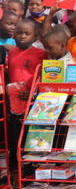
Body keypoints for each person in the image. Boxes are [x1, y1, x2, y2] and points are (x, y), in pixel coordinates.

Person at [7, 20, 47, 180]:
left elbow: (45, 78)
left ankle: (37, 171)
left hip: (35, 103)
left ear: (34, 35)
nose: (22, 36)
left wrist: (34, 92)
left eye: (26, 33)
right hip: (16, 104)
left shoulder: (41, 54)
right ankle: (27, 172)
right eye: (19, 33)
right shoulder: (11, 53)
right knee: (19, 138)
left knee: (34, 137)